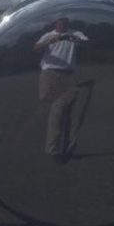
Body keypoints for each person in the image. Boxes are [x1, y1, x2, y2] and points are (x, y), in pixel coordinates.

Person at [33, 18, 89, 159]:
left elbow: (86, 43)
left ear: (67, 24)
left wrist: (71, 37)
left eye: (63, 23)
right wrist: (50, 41)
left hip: (67, 75)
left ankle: (55, 150)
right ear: (55, 23)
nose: (61, 25)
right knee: (46, 99)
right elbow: (35, 48)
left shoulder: (75, 33)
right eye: (58, 23)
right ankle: (63, 142)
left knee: (58, 109)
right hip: (48, 73)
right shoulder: (49, 35)